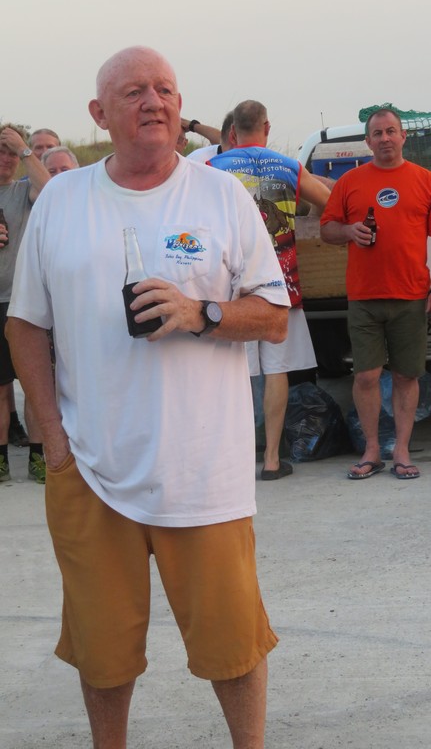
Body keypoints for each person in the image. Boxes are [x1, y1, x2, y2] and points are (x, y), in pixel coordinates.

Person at [6, 46, 289, 748]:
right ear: (100, 113)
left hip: (205, 474)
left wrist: (202, 313)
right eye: (133, 91)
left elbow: (274, 315)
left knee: (233, 646)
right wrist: (53, 439)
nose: (153, 102)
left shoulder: (220, 195)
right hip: (90, 470)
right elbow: (25, 323)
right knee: (102, 653)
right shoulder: (62, 200)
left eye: (164, 89)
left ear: (179, 105)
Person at [208, 100, 330, 480]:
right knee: (277, 371)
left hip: (233, 288)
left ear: (232, 132)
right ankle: (273, 460)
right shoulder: (289, 166)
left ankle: (236, 458)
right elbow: (329, 202)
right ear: (267, 128)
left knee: (235, 372)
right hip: (282, 283)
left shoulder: (211, 168)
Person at [320, 107, 431, 481]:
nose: (385, 138)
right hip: (364, 296)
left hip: (411, 294)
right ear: (367, 142)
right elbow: (327, 229)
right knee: (366, 376)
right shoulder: (350, 182)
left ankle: (401, 450)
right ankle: (371, 450)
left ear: (403, 136)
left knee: (406, 376)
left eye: (391, 131)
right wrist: (348, 231)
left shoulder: (424, 180)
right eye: (378, 133)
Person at [0, 124, 50, 482]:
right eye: (0, 150)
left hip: (24, 300)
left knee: (33, 385)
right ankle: (1, 459)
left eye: (11, 152)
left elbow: (50, 190)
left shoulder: (24, 190)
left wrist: (25, 149)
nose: (6, 158)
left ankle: (37, 457)